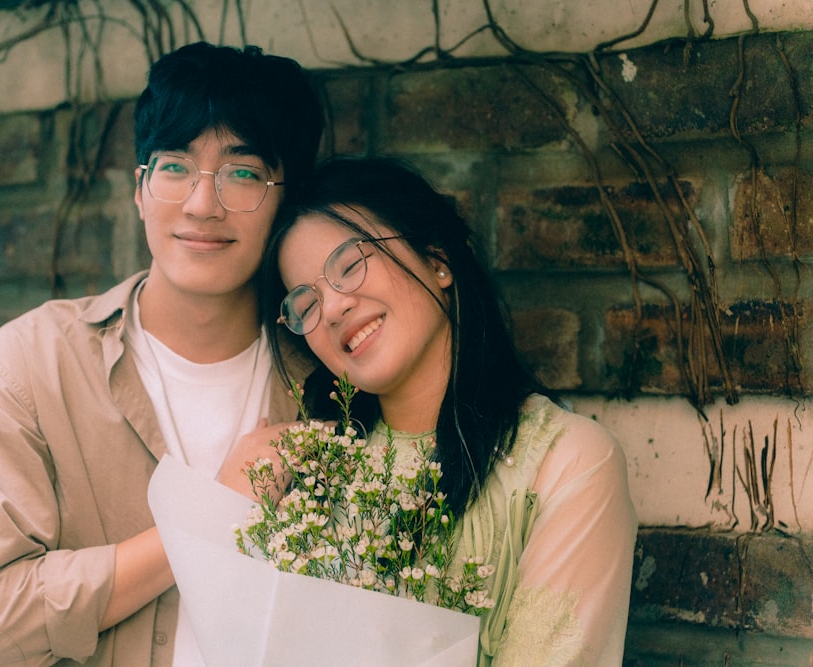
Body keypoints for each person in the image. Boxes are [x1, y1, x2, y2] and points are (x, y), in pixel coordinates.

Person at [0, 41, 323, 666]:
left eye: (242, 173)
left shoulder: (330, 377)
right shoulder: (30, 367)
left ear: (286, 197)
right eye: (176, 166)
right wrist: (216, 516)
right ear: (141, 190)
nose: (203, 204)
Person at [260, 156, 637, 666]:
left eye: (349, 265)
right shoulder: (315, 474)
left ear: (438, 261)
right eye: (304, 305)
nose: (330, 310)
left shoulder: (567, 462)